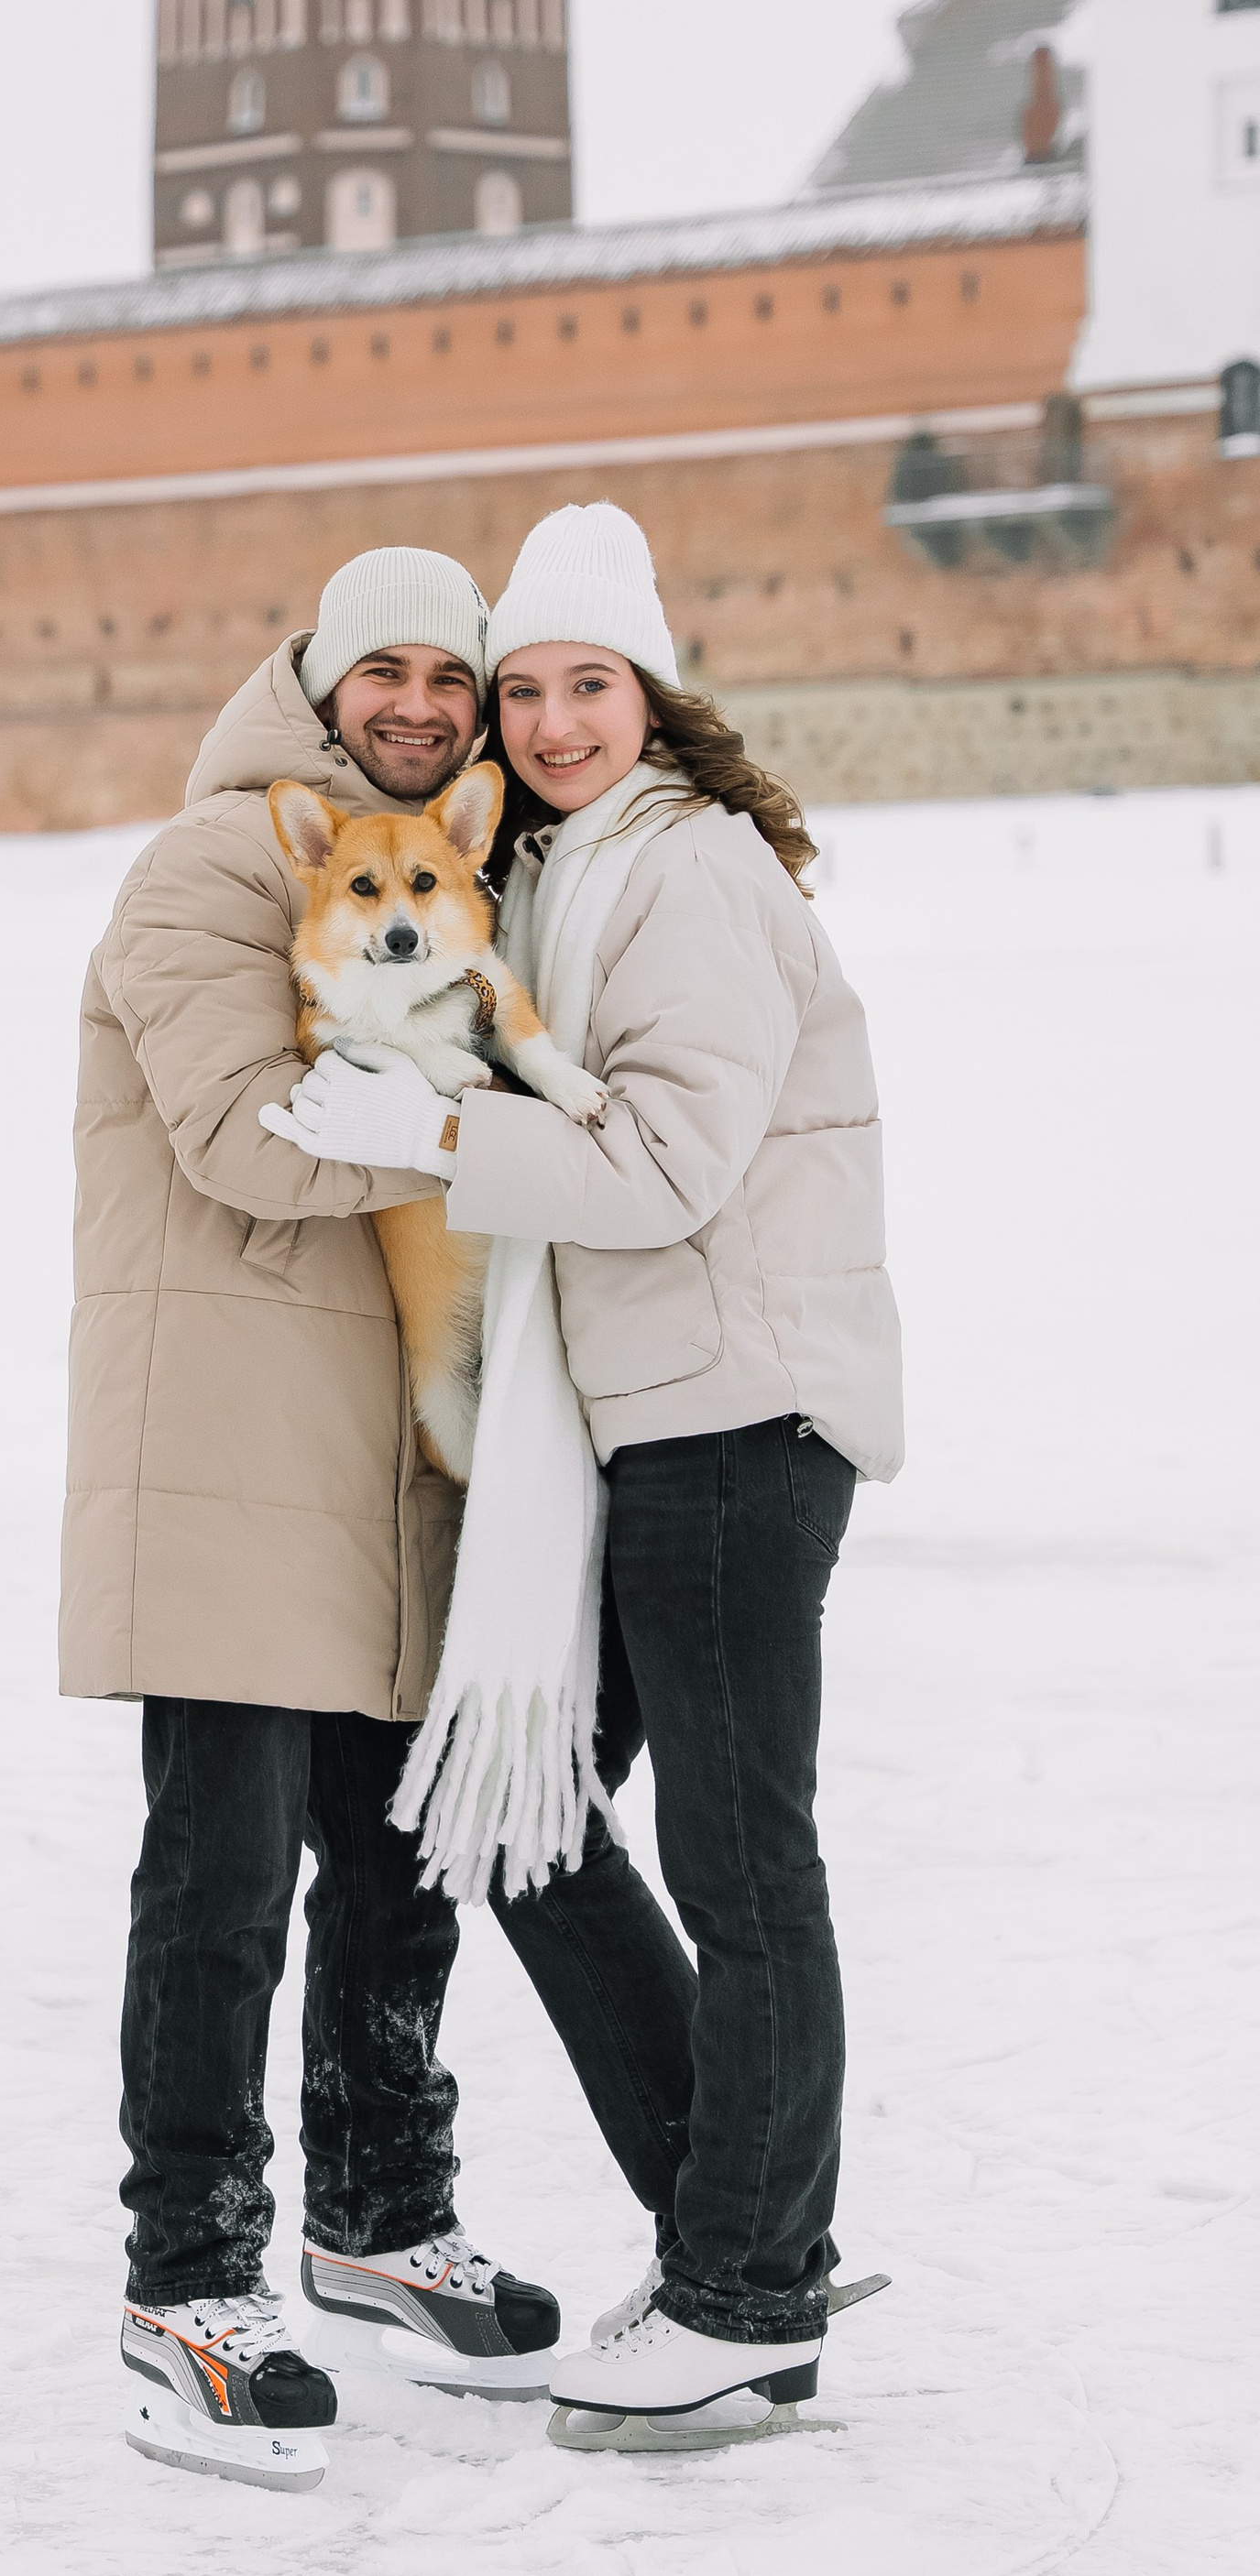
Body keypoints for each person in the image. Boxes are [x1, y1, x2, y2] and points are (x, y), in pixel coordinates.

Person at [270, 502, 903, 2446]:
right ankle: (741, 2230)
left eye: (585, 685)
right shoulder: (563, 873)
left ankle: (739, 2288)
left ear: (653, 695)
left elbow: (659, 1169)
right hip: (635, 1426)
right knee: (523, 1827)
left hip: (736, 1415)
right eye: (521, 689)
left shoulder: (687, 875)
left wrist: (433, 1129)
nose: (545, 722)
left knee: (737, 1861)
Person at [64, 546, 561, 2494]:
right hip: (228, 1457)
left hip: (387, 1463)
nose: (423, 702)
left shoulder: (444, 868)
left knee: (385, 1872)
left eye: (455, 674)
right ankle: (185, 2275)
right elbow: (235, 1134)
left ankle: (374, 2215)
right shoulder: (213, 868)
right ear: (321, 678)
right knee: (216, 1886)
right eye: (388, 670)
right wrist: (497, 1139)